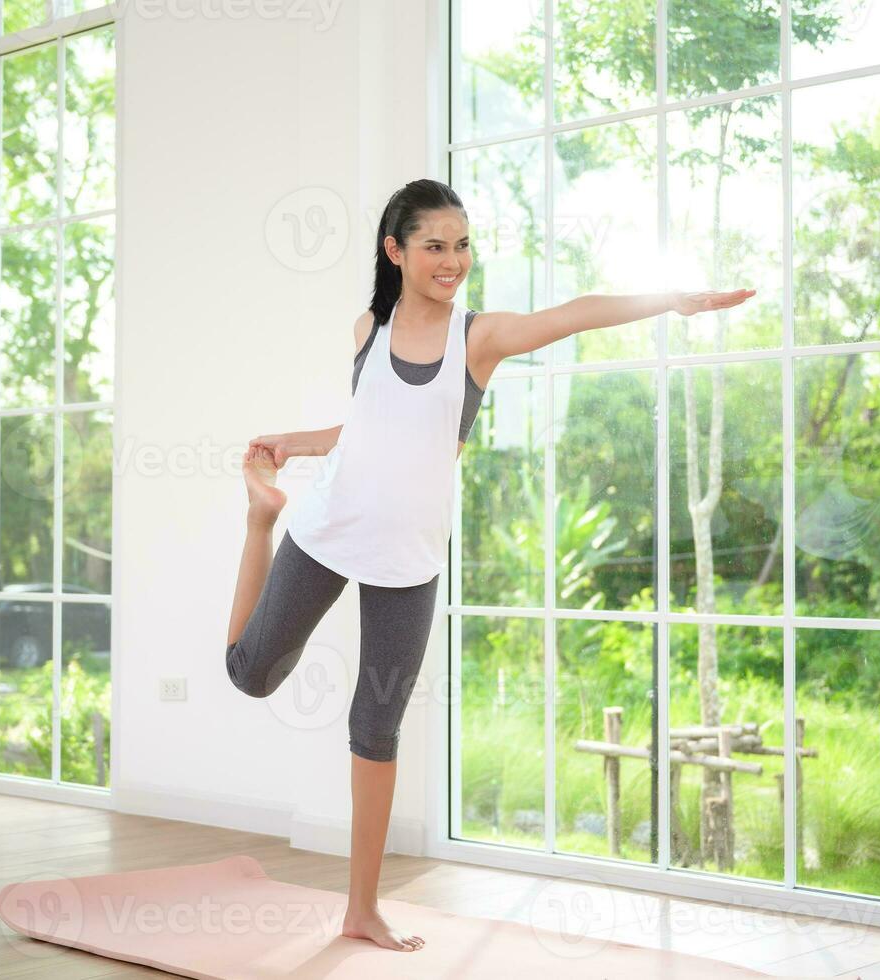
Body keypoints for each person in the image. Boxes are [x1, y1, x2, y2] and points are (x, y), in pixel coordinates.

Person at [222, 177, 754, 952]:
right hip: (326, 527)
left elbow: (569, 314)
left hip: (408, 558)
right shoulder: (367, 328)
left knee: (375, 728)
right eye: (434, 245)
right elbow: (373, 426)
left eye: (462, 244)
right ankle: (258, 520)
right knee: (250, 673)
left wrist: (668, 298)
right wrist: (300, 444)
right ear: (394, 250)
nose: (452, 260)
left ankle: (361, 909)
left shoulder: (479, 339)